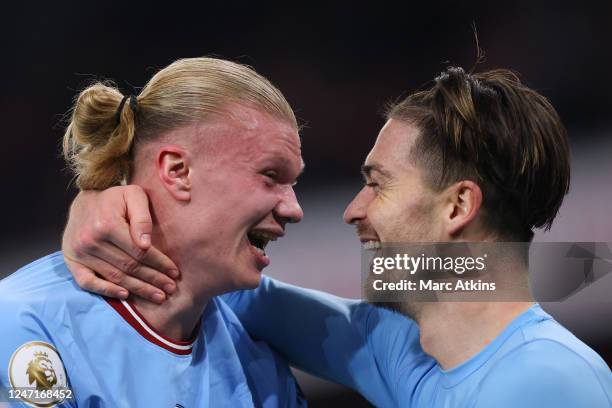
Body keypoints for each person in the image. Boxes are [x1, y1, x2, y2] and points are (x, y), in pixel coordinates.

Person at [62, 66, 612, 407]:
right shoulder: (407, 355)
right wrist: (105, 200)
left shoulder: (546, 382)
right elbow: (215, 275)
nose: (353, 211)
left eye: (378, 185)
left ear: (459, 206)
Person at [0, 57, 307, 407]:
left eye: (293, 183)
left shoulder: (259, 363)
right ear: (177, 171)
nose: (293, 210)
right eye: (271, 175)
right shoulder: (23, 326)